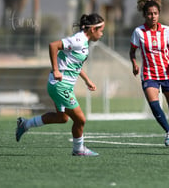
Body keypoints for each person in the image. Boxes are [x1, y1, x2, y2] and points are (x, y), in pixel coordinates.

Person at [15, 13, 105, 156]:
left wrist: (87, 80)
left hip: (63, 86)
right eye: (101, 30)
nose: (102, 33)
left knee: (62, 118)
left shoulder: (84, 44)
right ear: (93, 29)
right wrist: (56, 70)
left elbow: (75, 64)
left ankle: (25, 124)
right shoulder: (78, 39)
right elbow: (53, 46)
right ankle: (78, 150)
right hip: (60, 86)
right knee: (80, 119)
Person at [129, 0, 169, 149]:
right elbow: (132, 51)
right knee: (155, 105)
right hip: (149, 74)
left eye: (155, 13)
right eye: (149, 14)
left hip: (167, 73)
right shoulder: (138, 32)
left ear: (159, 14)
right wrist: (134, 64)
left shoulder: (166, 30)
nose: (153, 16)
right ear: (144, 15)